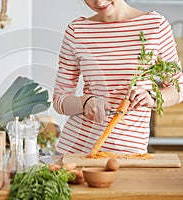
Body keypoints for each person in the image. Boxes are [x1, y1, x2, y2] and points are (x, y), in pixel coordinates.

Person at [53, 0, 183, 155]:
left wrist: (152, 97)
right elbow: (59, 100)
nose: (99, 2)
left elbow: (178, 87)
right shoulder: (77, 31)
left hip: (129, 154)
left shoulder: (155, 26)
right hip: (76, 151)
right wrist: (85, 102)